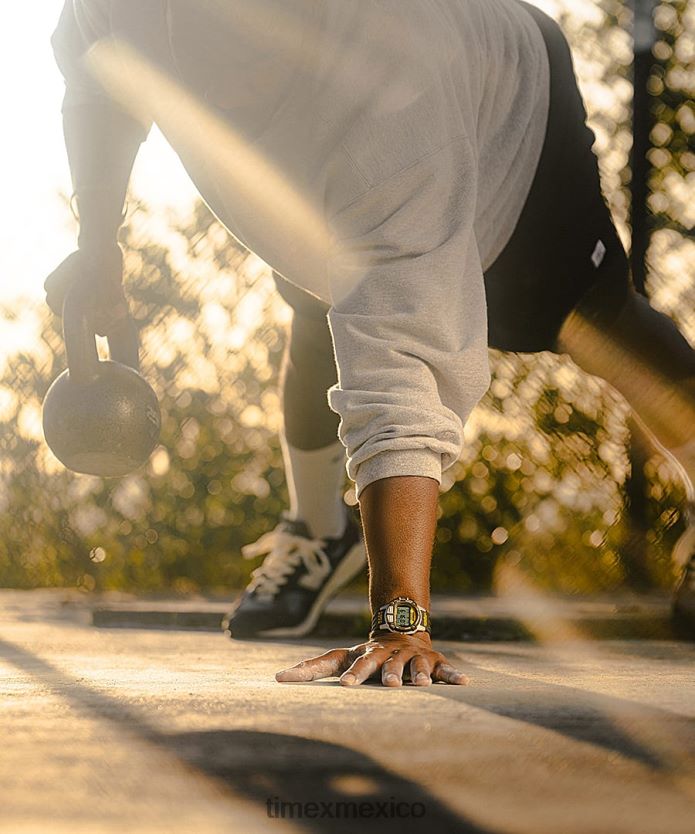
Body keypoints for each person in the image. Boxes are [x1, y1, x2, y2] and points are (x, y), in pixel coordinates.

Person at [46, 0, 695, 687]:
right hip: (321, 150)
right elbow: (96, 73)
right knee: (317, 297)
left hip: (506, 107)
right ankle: (321, 528)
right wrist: (97, 243)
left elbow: (398, 366)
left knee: (590, 317)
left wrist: (400, 621)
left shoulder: (393, 92)